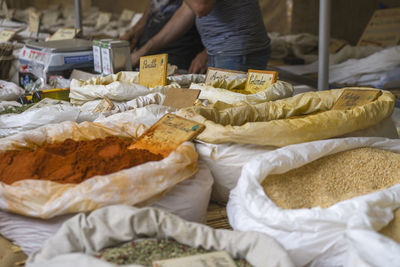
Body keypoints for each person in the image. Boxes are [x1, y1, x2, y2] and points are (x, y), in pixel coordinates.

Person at [130, 0, 271, 73]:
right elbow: (187, 11)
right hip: (223, 52)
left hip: (236, 54)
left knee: (231, 118)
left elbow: (200, 6)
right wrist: (141, 53)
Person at [121, 0, 204, 71]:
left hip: (174, 53)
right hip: (145, 52)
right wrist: (136, 29)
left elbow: (195, 8)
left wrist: (141, 53)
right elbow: (155, 4)